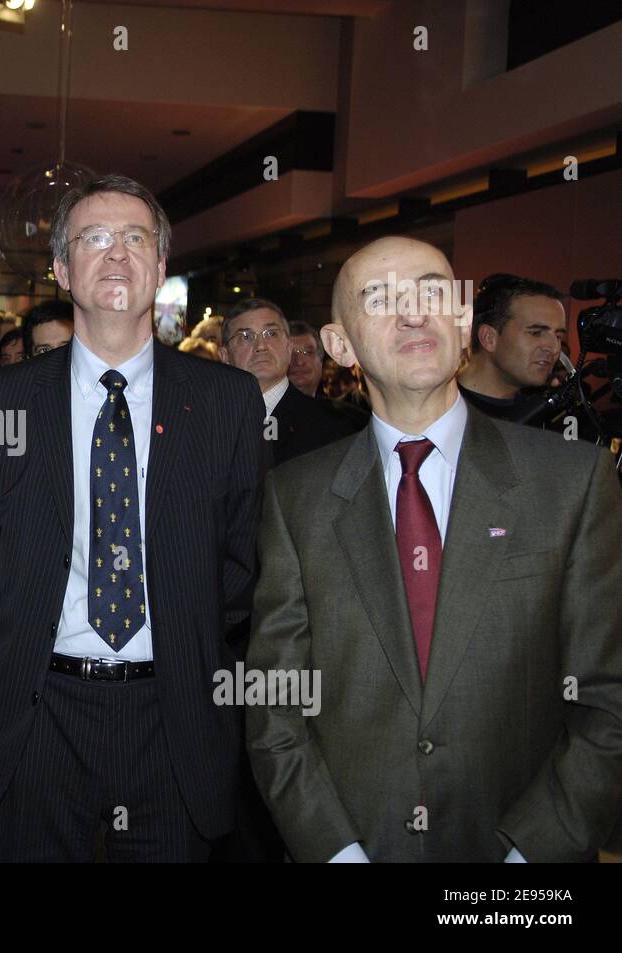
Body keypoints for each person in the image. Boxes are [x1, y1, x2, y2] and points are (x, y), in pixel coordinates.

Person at [246, 236, 622, 862]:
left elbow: (606, 696)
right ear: (340, 345)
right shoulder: (296, 497)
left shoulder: (573, 483)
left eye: (431, 290)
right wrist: (335, 851)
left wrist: (532, 855)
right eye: (380, 298)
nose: (414, 312)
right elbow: (275, 703)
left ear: (463, 316)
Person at [0, 175, 266, 861]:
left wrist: (184, 632)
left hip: (174, 711)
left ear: (160, 266)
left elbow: (243, 559)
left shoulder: (227, 401)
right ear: (63, 267)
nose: (117, 253)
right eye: (94, 238)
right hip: (37, 712)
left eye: (136, 238)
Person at [220, 298, 364, 466]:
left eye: (271, 334)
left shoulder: (340, 427)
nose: (261, 346)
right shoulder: (205, 424)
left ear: (288, 348)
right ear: (225, 356)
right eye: (245, 337)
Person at [457, 273, 567, 422]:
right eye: (536, 333)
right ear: (489, 338)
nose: (554, 348)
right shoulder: (435, 410)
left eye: (558, 336)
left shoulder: (547, 417)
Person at [286, 319, 325, 397]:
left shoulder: (339, 409)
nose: (299, 361)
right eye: (290, 353)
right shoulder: (258, 408)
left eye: (308, 352)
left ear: (321, 361)